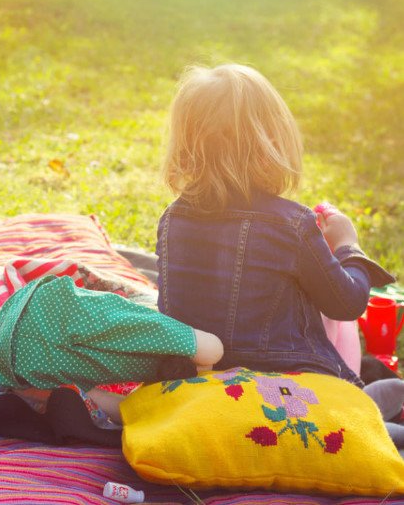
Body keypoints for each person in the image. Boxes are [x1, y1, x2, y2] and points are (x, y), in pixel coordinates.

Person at [156, 63, 395, 387]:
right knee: (379, 390)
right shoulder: (292, 224)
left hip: (191, 381)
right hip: (285, 385)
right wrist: (347, 245)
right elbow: (346, 303)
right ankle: (371, 408)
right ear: (273, 142)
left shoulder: (172, 219)